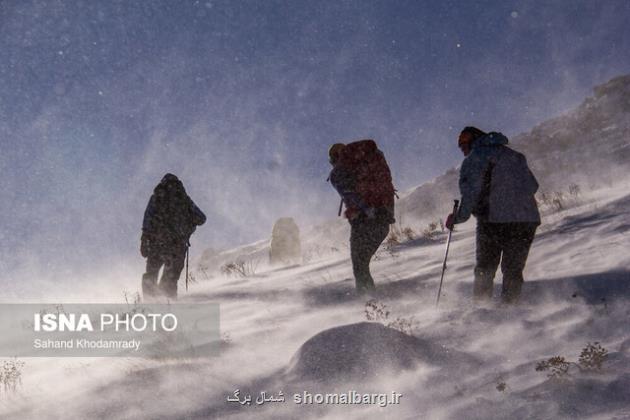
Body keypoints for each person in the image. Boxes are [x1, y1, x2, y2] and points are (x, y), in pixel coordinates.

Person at [446, 127, 540, 304]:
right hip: (526, 220)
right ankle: (510, 310)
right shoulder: (515, 156)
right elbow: (533, 186)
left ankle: (481, 310)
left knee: (485, 269)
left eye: (464, 143)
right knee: (513, 269)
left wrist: (456, 218)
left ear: (474, 140)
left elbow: (470, 195)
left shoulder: (474, 159)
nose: (462, 149)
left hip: (494, 220)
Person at [328, 140, 396, 294]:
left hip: (364, 222)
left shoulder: (338, 173)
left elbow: (351, 195)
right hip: (384, 218)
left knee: (359, 265)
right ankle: (371, 302)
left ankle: (367, 303)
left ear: (334, 159)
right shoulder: (368, 163)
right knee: (362, 264)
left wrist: (366, 210)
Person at [140, 173, 206, 300]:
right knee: (170, 278)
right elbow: (202, 218)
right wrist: (188, 225)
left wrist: (144, 239)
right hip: (177, 245)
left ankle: (149, 303)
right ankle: (169, 304)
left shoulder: (156, 198)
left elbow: (147, 220)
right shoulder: (184, 199)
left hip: (156, 244)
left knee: (151, 275)